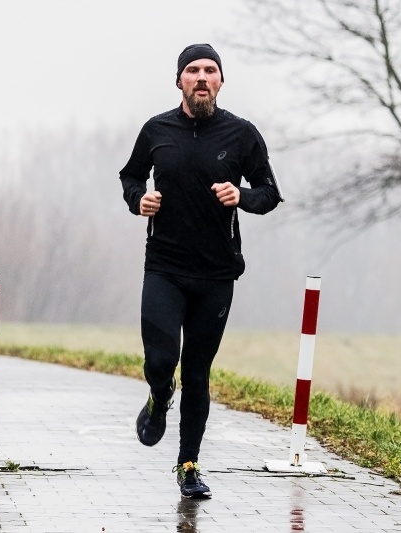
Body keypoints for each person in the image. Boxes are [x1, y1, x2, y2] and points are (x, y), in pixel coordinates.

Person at [119, 43, 283, 499]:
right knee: (160, 360)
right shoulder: (157, 130)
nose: (202, 77)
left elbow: (269, 192)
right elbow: (131, 176)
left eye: (211, 70)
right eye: (193, 70)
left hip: (216, 275)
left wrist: (241, 196)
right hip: (165, 268)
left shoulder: (242, 134)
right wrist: (138, 199)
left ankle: (188, 465)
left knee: (197, 372)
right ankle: (158, 397)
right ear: (180, 81)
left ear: (221, 81)